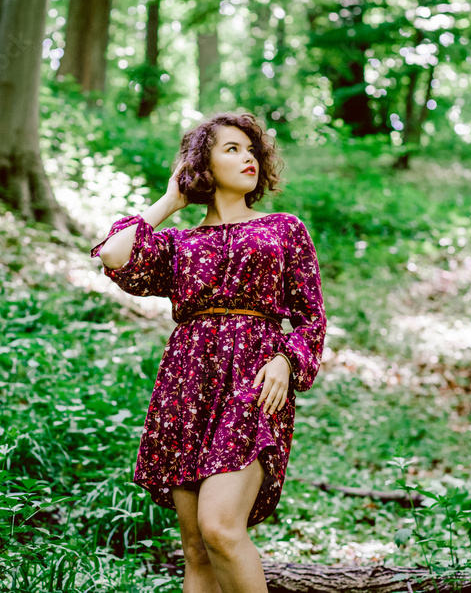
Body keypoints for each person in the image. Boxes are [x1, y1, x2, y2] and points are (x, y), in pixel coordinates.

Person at [90, 111, 326, 593]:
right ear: (202, 163)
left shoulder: (284, 229)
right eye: (231, 149)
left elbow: (311, 318)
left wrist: (286, 360)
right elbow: (113, 256)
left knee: (221, 528)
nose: (248, 158)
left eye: (252, 149)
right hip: (186, 387)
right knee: (196, 548)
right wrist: (172, 199)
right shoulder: (179, 243)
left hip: (253, 381)